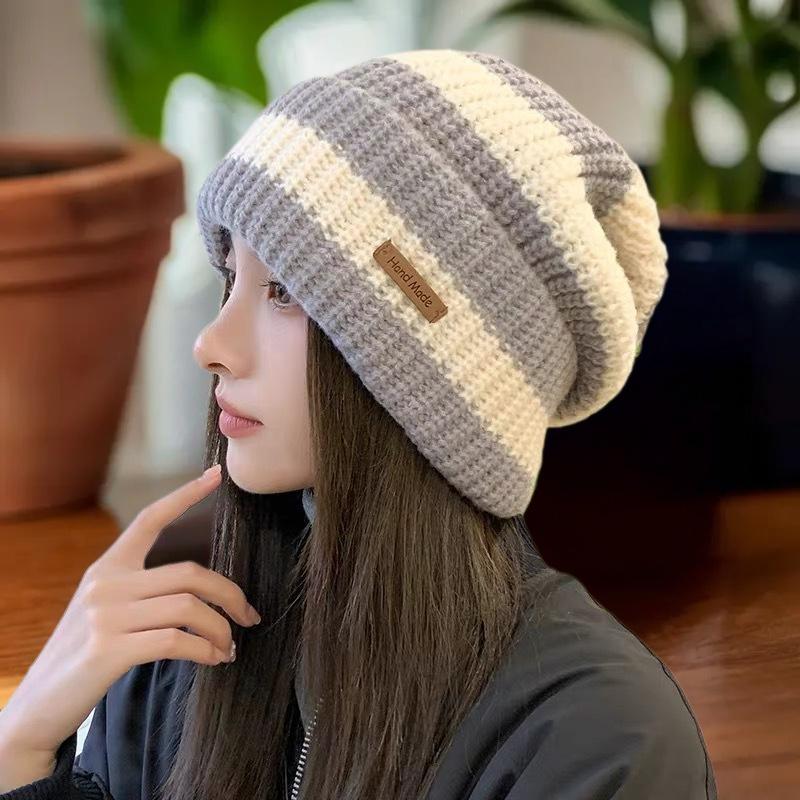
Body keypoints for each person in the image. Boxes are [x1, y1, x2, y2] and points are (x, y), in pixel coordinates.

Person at [0, 48, 717, 800]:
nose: (211, 344)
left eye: (283, 290)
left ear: (436, 376)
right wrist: (23, 742)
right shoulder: (180, 646)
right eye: (231, 277)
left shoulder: (597, 738)